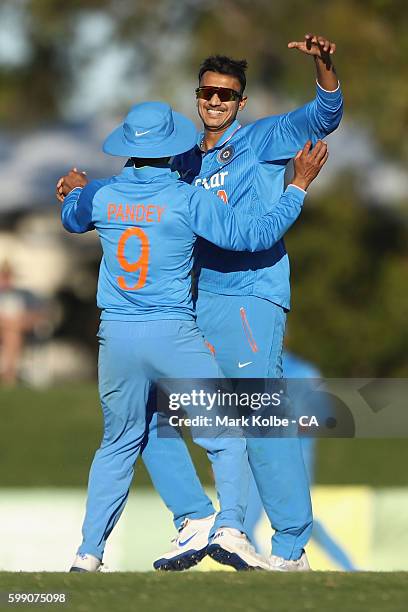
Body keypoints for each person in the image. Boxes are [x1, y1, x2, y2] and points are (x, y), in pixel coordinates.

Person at [56, 101, 328, 572]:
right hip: (172, 333)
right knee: (226, 434)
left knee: (119, 443)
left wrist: (72, 193)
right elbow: (254, 236)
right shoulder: (186, 199)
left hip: (115, 337)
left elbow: (70, 215)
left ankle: (87, 553)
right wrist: (298, 187)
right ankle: (228, 528)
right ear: (171, 148)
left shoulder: (101, 195)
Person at [137, 33, 343, 572]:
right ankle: (200, 523)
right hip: (194, 301)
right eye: (207, 92)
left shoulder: (260, 139)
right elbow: (134, 193)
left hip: (251, 296)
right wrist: (80, 193)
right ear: (197, 95)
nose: (214, 102)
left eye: (226, 95)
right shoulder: (180, 159)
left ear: (240, 102)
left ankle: (290, 549)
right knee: (158, 412)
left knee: (258, 419)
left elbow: (324, 116)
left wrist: (325, 68)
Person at [244, 350, 357, 571]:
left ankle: (350, 569)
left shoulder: (304, 371)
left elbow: (325, 416)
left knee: (302, 521)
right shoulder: (249, 367)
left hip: (298, 455)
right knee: (245, 522)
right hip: (259, 456)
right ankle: (256, 571)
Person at [0, 261, 44, 385]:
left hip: (21, 330)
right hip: (7, 329)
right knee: (12, 331)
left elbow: (38, 314)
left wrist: (23, 320)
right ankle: (10, 374)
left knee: (12, 332)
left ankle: (8, 373)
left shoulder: (24, 295)